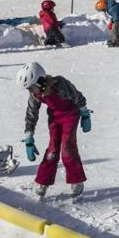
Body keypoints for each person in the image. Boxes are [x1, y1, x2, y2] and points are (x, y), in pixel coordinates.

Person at [17, 61, 91, 202]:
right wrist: (29, 137)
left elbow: (77, 96)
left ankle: (77, 181)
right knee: (52, 151)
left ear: (39, 81)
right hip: (55, 119)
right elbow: (31, 113)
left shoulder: (60, 84)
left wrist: (85, 113)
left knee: (67, 148)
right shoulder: (35, 95)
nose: (30, 92)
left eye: (31, 88)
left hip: (70, 115)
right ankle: (43, 182)